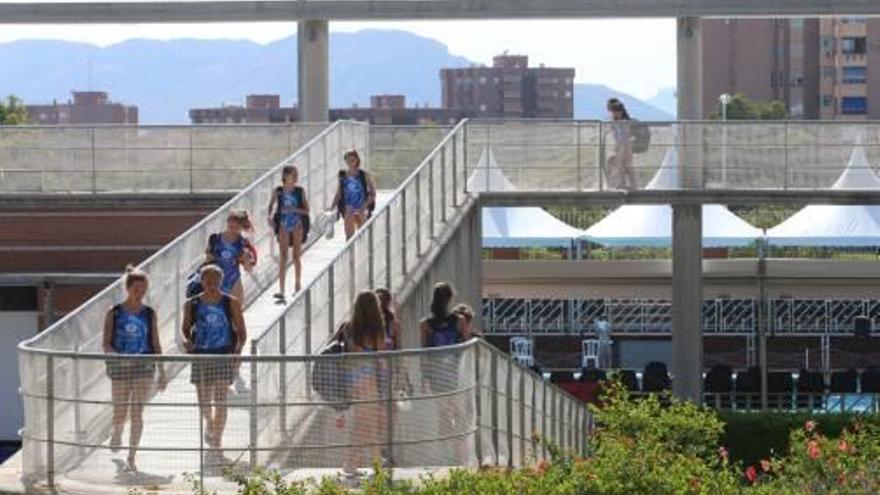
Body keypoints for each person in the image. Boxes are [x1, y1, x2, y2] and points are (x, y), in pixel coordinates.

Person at [102, 265, 167, 472]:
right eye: (136, 289)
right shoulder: (114, 312)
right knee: (120, 410)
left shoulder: (149, 314)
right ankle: (117, 430)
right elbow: (106, 343)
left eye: (143, 290)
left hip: (144, 367)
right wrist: (118, 358)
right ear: (128, 288)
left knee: (137, 412)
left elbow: (156, 343)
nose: (140, 294)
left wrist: (162, 372)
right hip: (120, 367)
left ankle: (132, 456)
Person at [181, 264, 247, 460]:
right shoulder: (192, 304)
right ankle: (209, 422)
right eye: (208, 282)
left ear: (221, 282)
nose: (211, 285)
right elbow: (185, 330)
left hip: (222, 354)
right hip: (201, 355)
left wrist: (237, 351)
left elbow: (241, 331)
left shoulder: (230, 302)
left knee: (221, 400)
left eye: (215, 282)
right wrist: (187, 343)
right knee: (203, 400)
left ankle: (217, 441)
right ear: (202, 282)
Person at [338, 290, 387, 481]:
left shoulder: (348, 328)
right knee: (368, 423)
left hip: (351, 378)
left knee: (361, 423)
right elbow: (381, 358)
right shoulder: (376, 330)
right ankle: (375, 462)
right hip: (368, 379)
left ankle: (351, 463)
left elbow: (348, 354)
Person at [267, 165, 309, 301]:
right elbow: (271, 206)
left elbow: (306, 210)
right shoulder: (278, 191)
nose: (295, 177)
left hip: (297, 223)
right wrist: (269, 217)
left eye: (296, 175)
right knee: (283, 256)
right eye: (293, 174)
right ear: (285, 176)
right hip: (283, 224)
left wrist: (294, 209)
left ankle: (297, 283)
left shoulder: (299, 191)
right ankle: (281, 289)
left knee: (296, 255)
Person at [205, 210, 255, 304]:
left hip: (234, 280)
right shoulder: (215, 239)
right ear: (227, 222)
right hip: (216, 280)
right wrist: (210, 257)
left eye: (237, 228)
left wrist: (246, 259)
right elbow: (207, 262)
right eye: (231, 227)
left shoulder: (243, 242)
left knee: (237, 313)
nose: (233, 230)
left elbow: (249, 269)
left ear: (241, 228)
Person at [330, 150, 376, 240]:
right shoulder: (343, 175)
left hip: (362, 208)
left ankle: (363, 252)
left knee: (363, 237)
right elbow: (338, 194)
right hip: (349, 208)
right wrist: (332, 208)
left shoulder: (364, 174)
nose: (350, 162)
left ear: (357, 160)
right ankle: (351, 253)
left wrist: (365, 205)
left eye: (353, 160)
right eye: (348, 160)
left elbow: (373, 194)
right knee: (349, 238)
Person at [606, 99, 638, 190]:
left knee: (627, 164)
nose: (615, 114)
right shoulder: (615, 121)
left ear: (620, 112)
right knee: (620, 164)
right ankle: (622, 184)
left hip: (625, 144)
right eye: (614, 112)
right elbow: (616, 134)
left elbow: (625, 134)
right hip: (620, 144)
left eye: (616, 112)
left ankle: (633, 185)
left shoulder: (625, 122)